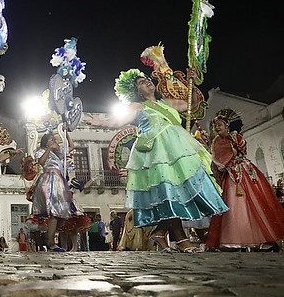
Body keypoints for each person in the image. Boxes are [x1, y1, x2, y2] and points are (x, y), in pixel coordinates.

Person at [81, 67, 227, 253]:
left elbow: (192, 104)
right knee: (169, 192)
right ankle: (181, 239)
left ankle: (159, 232)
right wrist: (96, 121)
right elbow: (116, 121)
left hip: (178, 150)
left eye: (147, 79)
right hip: (156, 154)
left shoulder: (166, 102)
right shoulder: (137, 107)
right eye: (141, 82)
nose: (147, 81)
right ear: (137, 92)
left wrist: (190, 82)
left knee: (177, 193)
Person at [204, 108, 284, 251]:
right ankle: (234, 239)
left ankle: (261, 239)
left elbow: (238, 151)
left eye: (220, 125)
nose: (217, 128)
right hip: (231, 175)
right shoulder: (218, 141)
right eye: (215, 126)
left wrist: (232, 148)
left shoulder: (236, 138)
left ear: (228, 126)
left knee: (253, 204)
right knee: (234, 206)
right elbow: (219, 159)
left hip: (244, 173)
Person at [29, 131, 78, 252]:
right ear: (46, 142)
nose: (54, 141)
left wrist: (66, 134)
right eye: (52, 139)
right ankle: (51, 242)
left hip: (59, 181)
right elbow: (41, 162)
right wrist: (49, 148)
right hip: (49, 179)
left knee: (62, 215)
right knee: (54, 212)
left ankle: (48, 236)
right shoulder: (41, 151)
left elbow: (72, 147)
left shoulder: (58, 154)